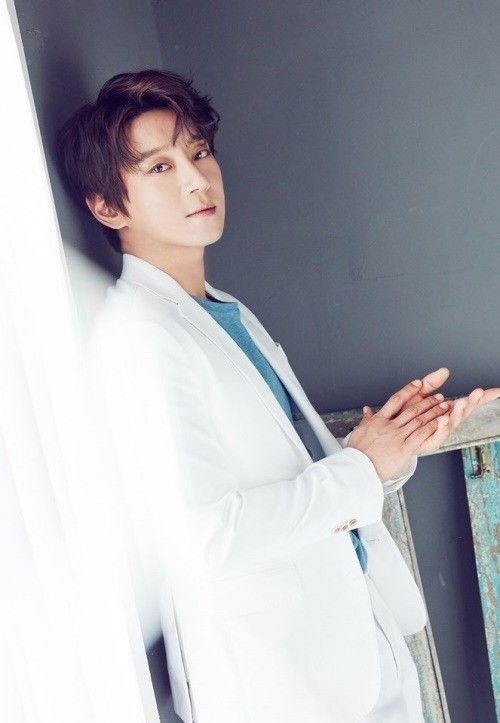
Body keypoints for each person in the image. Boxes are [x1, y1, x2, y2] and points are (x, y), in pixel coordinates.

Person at [56, 69, 499, 723]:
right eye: (160, 167)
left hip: (352, 650)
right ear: (106, 207)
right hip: (280, 685)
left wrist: (394, 448)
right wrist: (361, 468)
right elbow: (205, 537)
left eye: (199, 152)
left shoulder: (222, 310)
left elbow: (293, 474)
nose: (196, 180)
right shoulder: (138, 337)